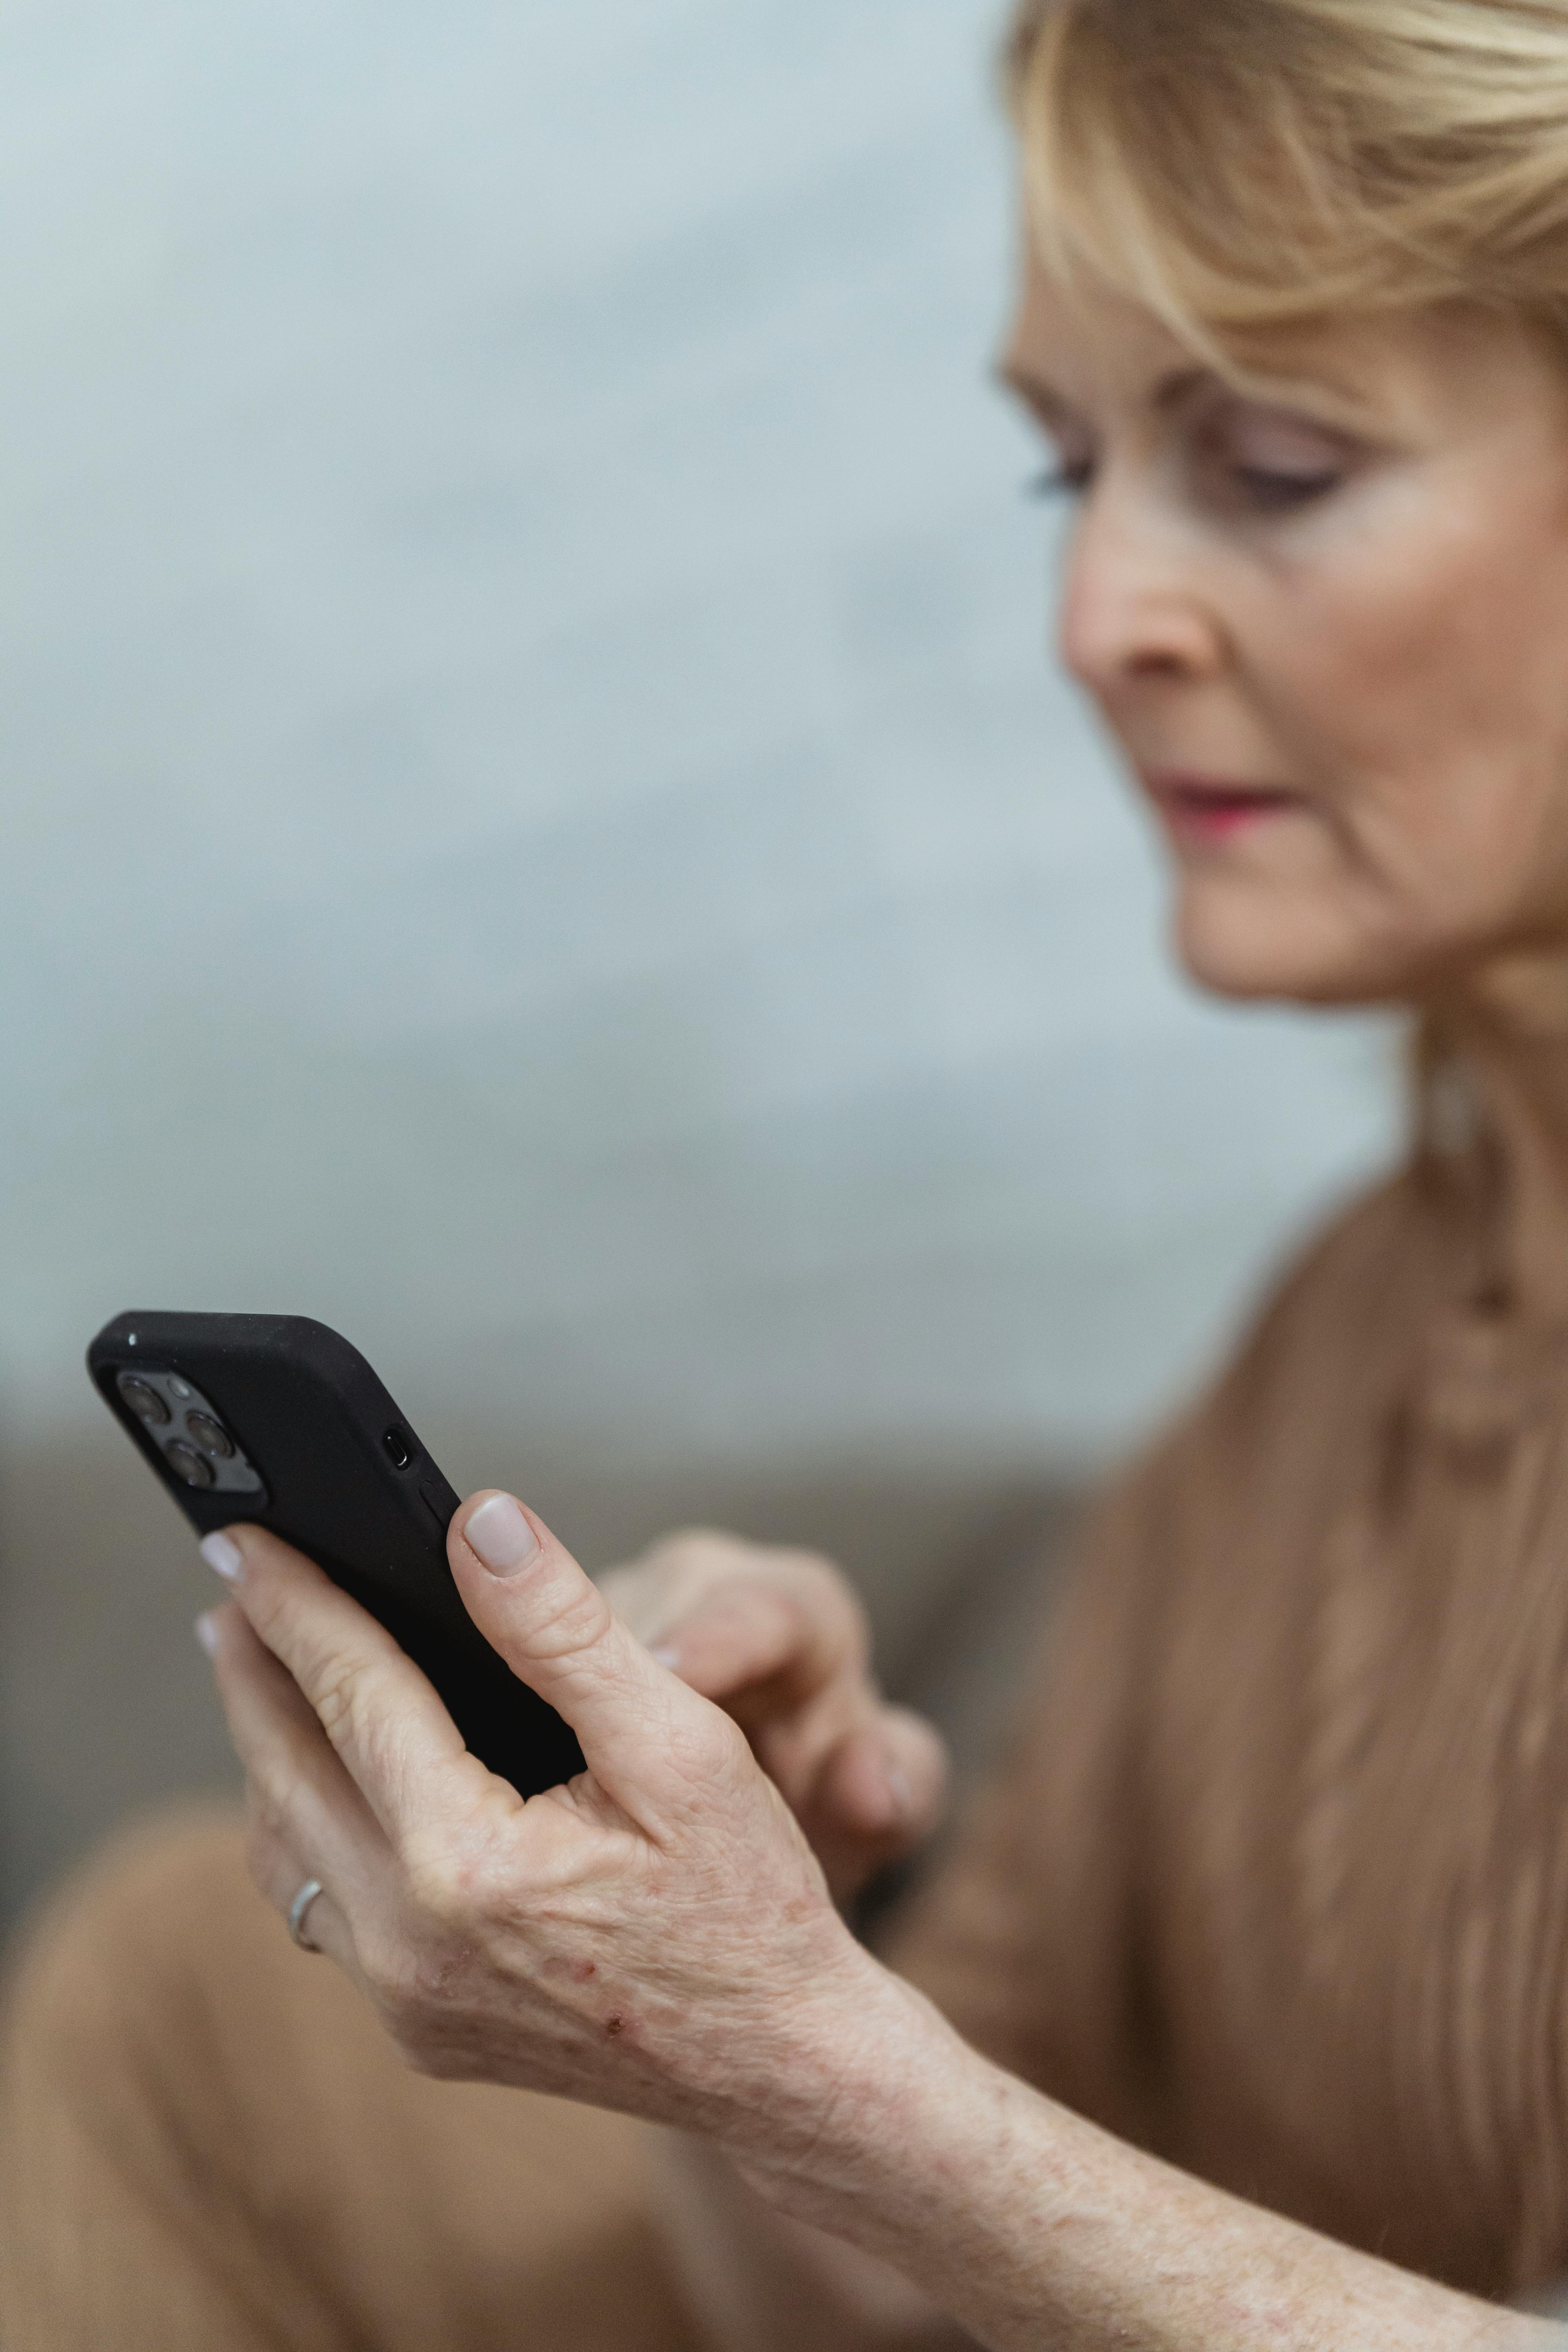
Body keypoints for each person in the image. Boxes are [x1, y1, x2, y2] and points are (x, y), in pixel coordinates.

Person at [13, 0, 1568, 2341]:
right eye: (1070, 471)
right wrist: (758, 1997)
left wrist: (834, 2077)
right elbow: (873, 2309)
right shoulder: (1328, 1357)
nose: (1093, 622)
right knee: (183, 1978)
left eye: (1268, 463)